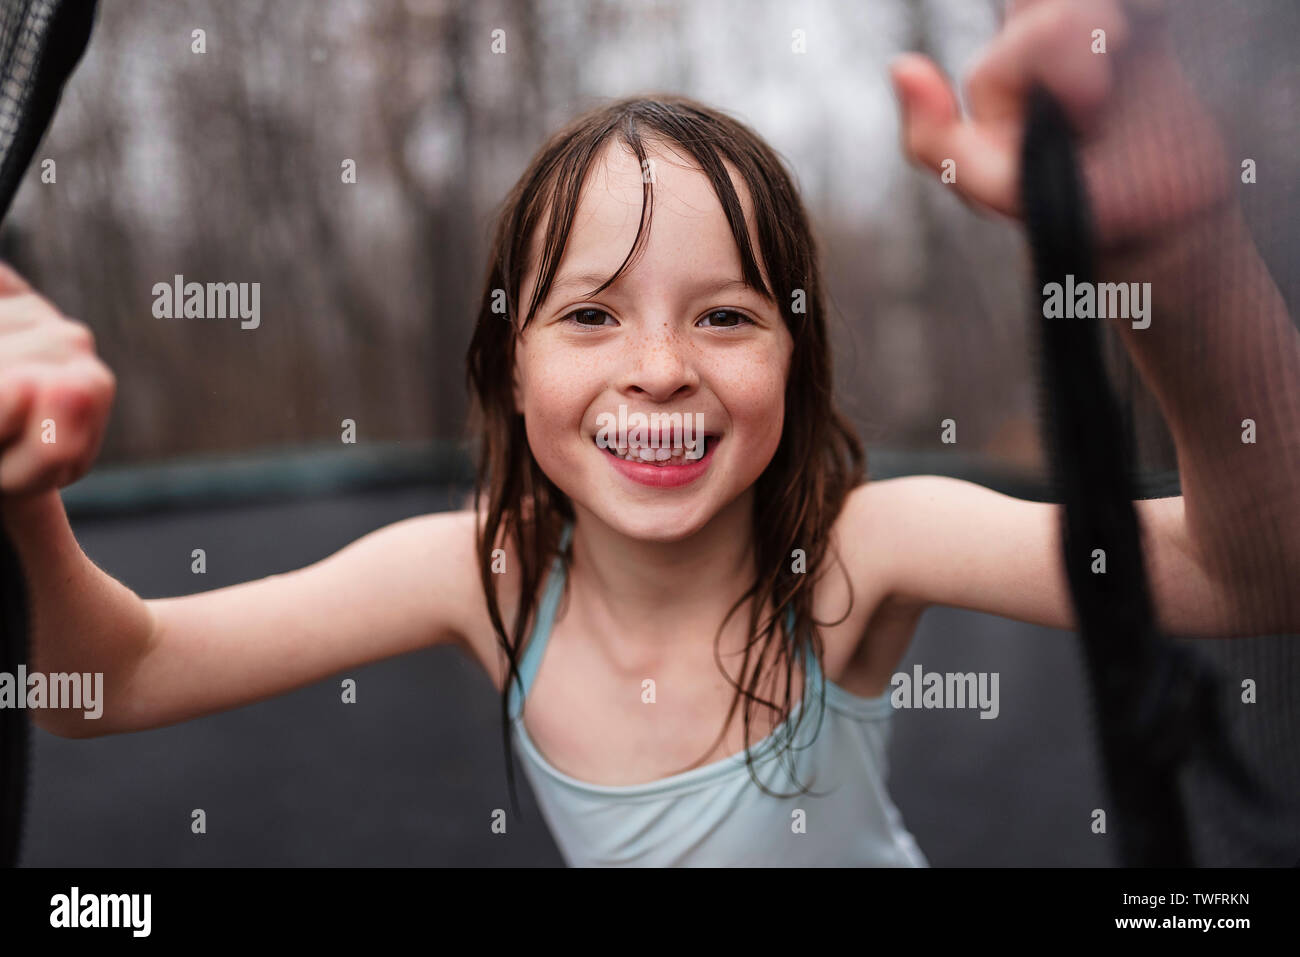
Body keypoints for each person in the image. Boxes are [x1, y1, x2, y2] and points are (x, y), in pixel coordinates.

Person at [2, 0, 1295, 865]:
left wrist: (1171, 256)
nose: (663, 369)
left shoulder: (858, 554)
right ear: (512, 364)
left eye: (727, 314)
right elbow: (111, 677)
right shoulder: (483, 570)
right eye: (592, 315)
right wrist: (20, 490)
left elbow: (1255, 571)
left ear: (797, 355)